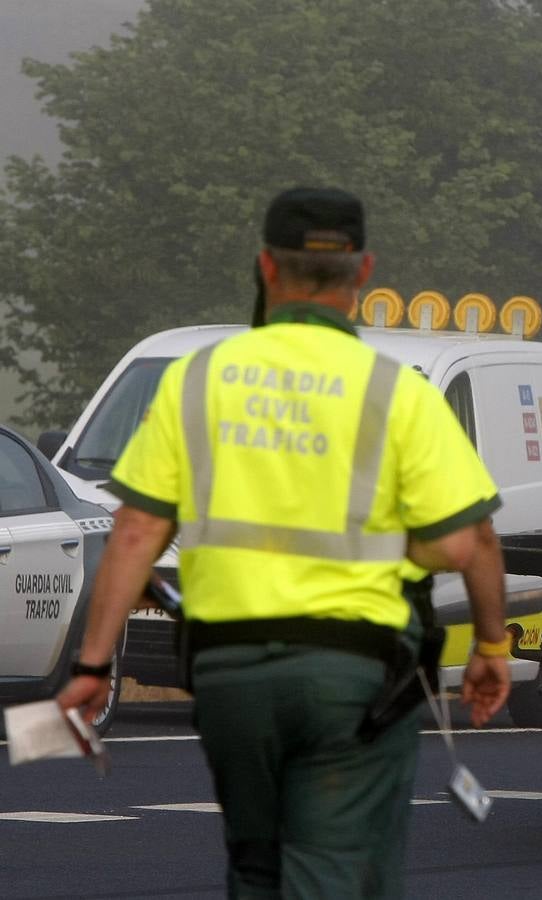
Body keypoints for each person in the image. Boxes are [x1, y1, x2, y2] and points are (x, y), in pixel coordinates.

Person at [56, 187, 512, 898]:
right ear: (364, 273)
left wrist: (89, 665)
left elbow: (138, 530)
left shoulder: (195, 380)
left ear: (268, 269)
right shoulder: (397, 392)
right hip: (353, 679)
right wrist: (490, 647)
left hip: (229, 675)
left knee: (257, 867)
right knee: (333, 872)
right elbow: (469, 542)